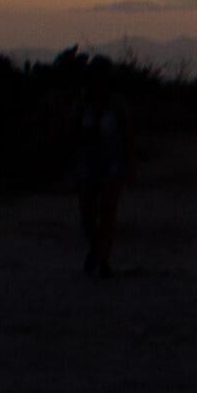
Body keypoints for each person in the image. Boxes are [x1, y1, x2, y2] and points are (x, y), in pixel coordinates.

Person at [70, 73, 134, 277]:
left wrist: (131, 166)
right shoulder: (81, 106)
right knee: (87, 216)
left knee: (107, 213)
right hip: (87, 166)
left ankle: (104, 260)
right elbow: (70, 133)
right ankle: (97, 249)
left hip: (113, 166)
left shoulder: (117, 107)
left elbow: (127, 137)